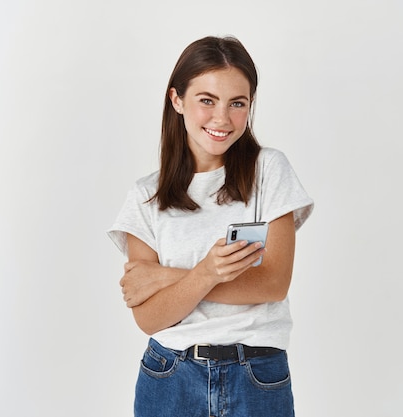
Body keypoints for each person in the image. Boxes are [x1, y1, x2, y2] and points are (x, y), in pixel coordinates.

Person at [108, 35, 313, 417]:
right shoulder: (145, 197)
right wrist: (206, 273)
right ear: (177, 100)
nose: (222, 118)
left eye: (238, 103)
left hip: (256, 376)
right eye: (207, 100)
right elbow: (149, 316)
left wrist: (167, 277)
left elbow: (272, 283)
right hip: (169, 376)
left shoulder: (269, 170)